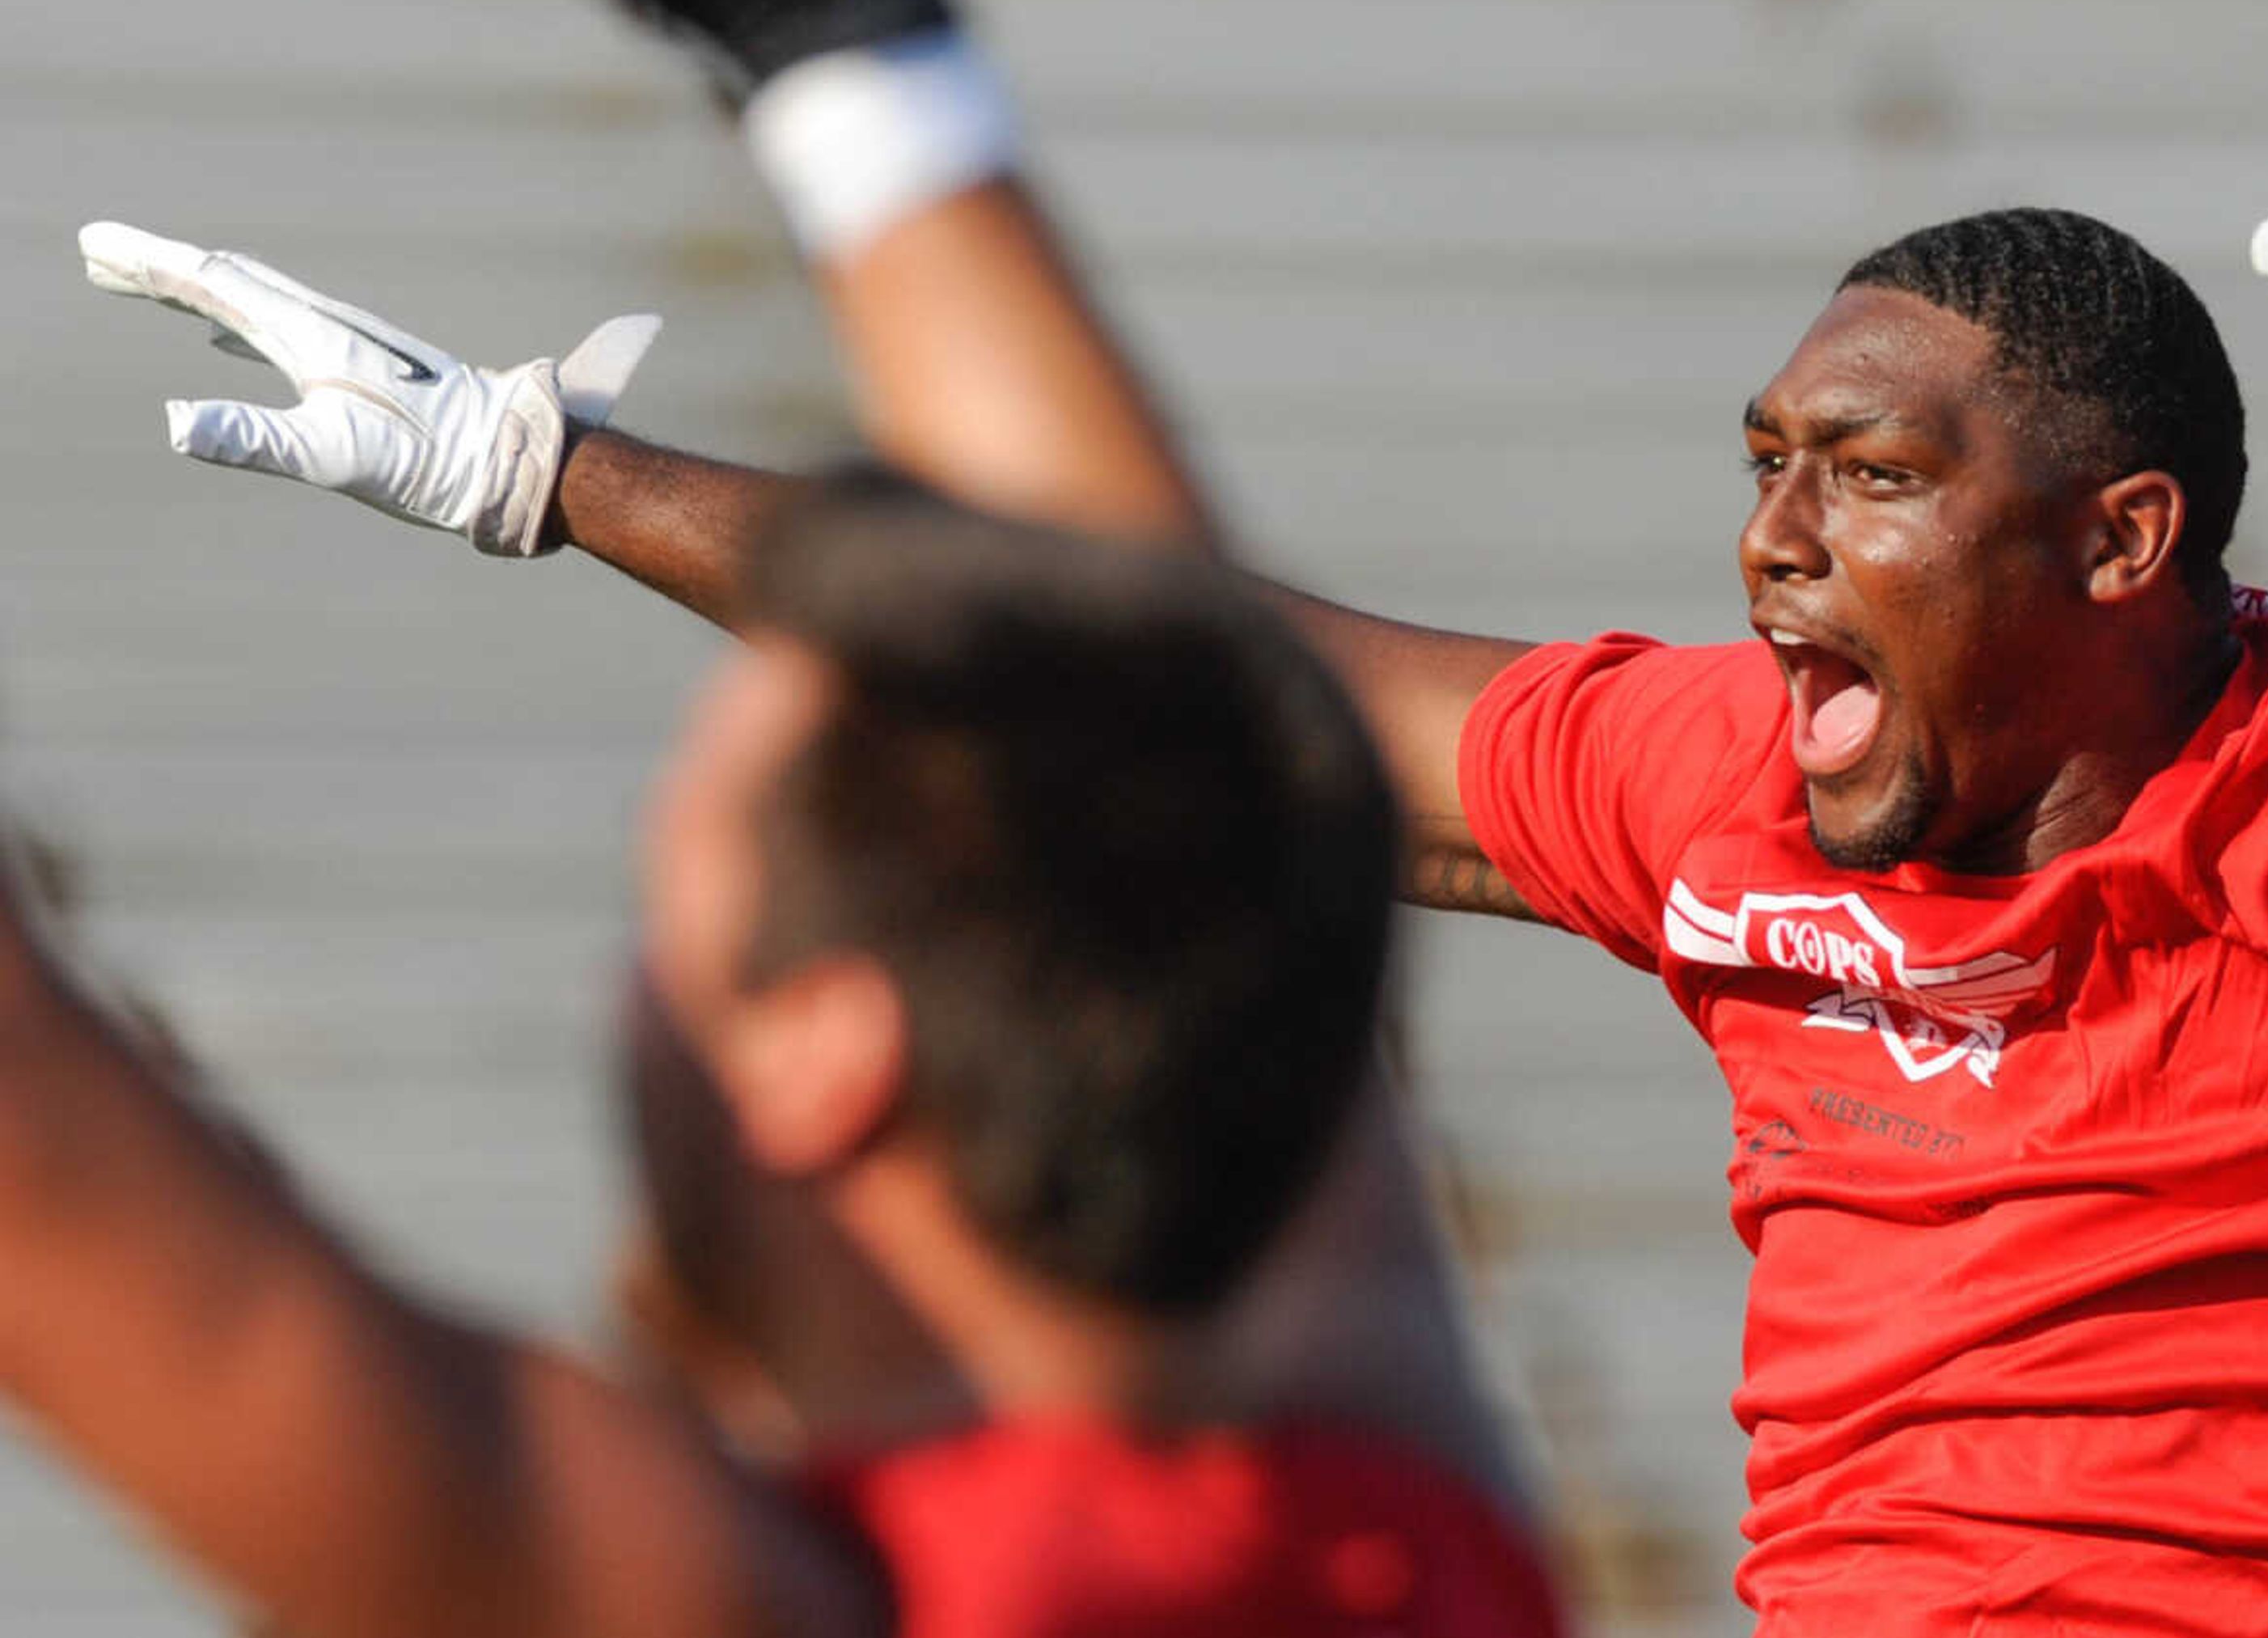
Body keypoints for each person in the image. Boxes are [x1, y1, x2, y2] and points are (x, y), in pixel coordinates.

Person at [89, 0, 2268, 1631]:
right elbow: (1213, 680)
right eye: (1763, 466)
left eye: (1860, 475)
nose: (1771, 536)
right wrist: (542, 460)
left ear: (2121, 544)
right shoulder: (1732, 798)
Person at [0, 469, 1561, 1638]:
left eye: (656, 915)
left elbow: (59, 1186)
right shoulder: (1408, 1548)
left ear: (822, 1054)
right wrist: (853, 66)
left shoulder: (876, 1605)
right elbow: (1217, 763)